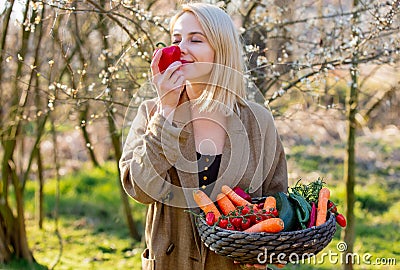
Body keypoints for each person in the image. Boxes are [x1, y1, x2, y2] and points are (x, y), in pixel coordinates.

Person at [119, 3, 288, 270]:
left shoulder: (258, 122)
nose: (180, 48)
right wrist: (166, 113)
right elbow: (139, 190)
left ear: (221, 49)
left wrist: (263, 249)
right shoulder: (151, 112)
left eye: (195, 39)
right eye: (176, 40)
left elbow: (277, 203)